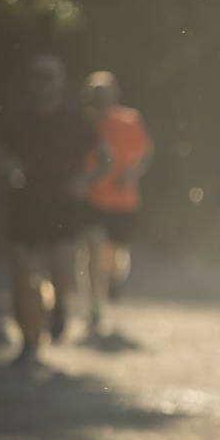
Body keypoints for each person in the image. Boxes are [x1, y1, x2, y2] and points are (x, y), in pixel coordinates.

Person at [0, 56, 112, 366]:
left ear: (60, 80)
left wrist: (86, 181)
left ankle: (59, 307)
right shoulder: (17, 116)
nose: (43, 84)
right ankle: (29, 340)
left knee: (61, 267)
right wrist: (9, 167)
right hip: (24, 203)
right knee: (21, 274)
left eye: (49, 77)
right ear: (29, 81)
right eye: (37, 77)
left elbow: (105, 157)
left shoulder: (74, 117)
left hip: (62, 204)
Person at [79, 71, 153, 332]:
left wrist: (131, 174)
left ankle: (114, 281)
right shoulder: (84, 123)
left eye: (106, 95)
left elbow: (145, 153)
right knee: (93, 251)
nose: (101, 100)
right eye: (96, 95)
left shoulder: (130, 120)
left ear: (114, 95)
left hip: (123, 199)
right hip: (93, 197)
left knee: (116, 254)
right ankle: (94, 307)